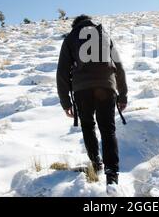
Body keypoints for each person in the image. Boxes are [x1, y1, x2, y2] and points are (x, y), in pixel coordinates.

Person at [56, 15, 128, 190]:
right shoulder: (104, 34)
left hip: (82, 90)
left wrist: (66, 102)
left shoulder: (71, 38)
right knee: (108, 129)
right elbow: (119, 65)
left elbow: (62, 72)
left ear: (75, 25)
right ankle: (112, 177)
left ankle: (96, 164)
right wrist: (123, 94)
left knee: (88, 126)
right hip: (106, 86)